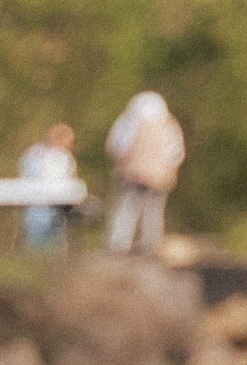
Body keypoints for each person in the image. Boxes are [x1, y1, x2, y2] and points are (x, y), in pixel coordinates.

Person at [105, 89, 185, 254]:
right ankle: (150, 245)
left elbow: (115, 146)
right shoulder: (168, 125)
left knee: (126, 208)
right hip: (158, 176)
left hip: (131, 174)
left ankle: (119, 245)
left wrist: (124, 163)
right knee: (153, 210)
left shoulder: (128, 122)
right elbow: (176, 153)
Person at [15, 119, 86, 253]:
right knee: (38, 241)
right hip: (39, 205)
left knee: (53, 243)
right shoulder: (38, 155)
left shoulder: (60, 156)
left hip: (56, 206)